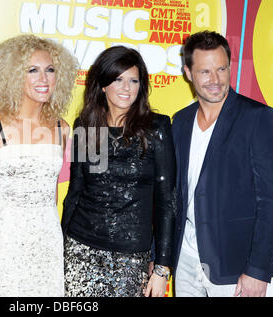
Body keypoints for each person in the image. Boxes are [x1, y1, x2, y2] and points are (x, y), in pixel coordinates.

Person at [0, 34, 78, 296]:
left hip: (46, 236)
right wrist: (2, 211)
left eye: (50, 70)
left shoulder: (62, 128)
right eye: (33, 70)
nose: (44, 79)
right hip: (3, 235)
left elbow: (52, 188)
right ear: (14, 76)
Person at [61, 46, 176, 297]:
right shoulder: (87, 126)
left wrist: (161, 268)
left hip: (131, 255)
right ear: (103, 85)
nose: (127, 88)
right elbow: (76, 190)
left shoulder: (156, 127)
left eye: (134, 80)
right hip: (80, 246)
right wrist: (60, 243)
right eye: (118, 79)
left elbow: (167, 200)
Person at [172, 31, 273, 297]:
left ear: (230, 66)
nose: (215, 80)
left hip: (236, 266)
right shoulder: (180, 122)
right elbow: (173, 196)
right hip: (185, 259)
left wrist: (258, 269)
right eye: (205, 71)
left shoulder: (258, 118)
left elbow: (272, 199)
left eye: (221, 69)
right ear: (188, 72)